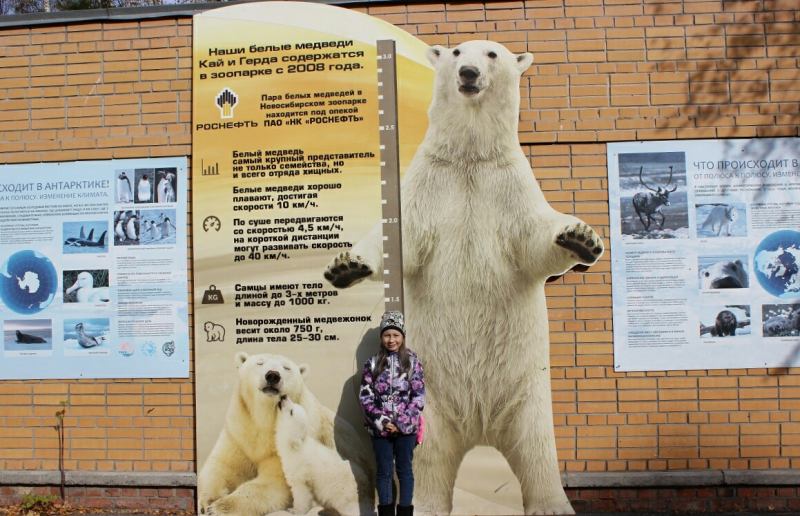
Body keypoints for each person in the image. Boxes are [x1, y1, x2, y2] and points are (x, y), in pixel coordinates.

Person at [359, 311, 425, 516]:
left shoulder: (413, 363)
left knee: (404, 471)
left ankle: (405, 512)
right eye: (387, 335)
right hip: (381, 430)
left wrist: (402, 422)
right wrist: (382, 421)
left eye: (396, 335)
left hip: (406, 429)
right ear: (382, 337)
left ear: (402, 336)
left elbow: (419, 396)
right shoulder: (372, 364)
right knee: (384, 472)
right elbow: (365, 396)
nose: (391, 340)